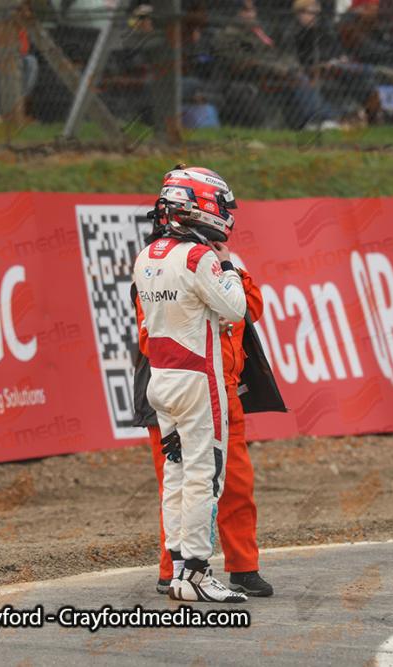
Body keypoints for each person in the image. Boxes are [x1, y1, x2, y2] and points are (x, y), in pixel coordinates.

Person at [132, 166, 249, 603]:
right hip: (199, 379)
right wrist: (229, 266)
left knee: (178, 475)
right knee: (205, 475)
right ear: (198, 205)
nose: (225, 215)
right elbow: (235, 308)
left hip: (160, 379)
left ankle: (180, 569)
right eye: (220, 205)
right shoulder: (200, 258)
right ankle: (198, 572)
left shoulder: (146, 256)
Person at [136, 242, 273, 598]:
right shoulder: (162, 272)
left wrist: (227, 270)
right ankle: (175, 570)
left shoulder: (219, 270)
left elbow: (249, 306)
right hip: (180, 387)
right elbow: (149, 338)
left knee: (236, 485)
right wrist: (204, 319)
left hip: (222, 390)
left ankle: (244, 569)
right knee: (180, 483)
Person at [213, 0, 340, 130]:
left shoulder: (258, 32)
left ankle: (324, 118)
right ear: (236, 14)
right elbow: (241, 61)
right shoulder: (227, 35)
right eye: (247, 11)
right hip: (252, 76)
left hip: (276, 73)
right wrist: (277, 68)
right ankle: (318, 119)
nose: (252, 14)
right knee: (297, 78)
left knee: (298, 76)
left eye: (252, 10)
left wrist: (292, 65)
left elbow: (279, 54)